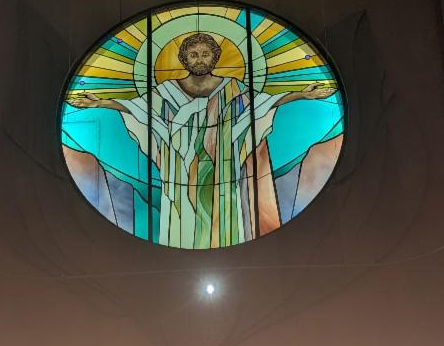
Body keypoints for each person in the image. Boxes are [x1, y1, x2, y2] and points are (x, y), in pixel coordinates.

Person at [69, 32, 334, 248]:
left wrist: (301, 94)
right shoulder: (166, 91)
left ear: (215, 57)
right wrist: (101, 102)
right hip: (178, 173)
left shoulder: (232, 87)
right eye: (193, 54)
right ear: (184, 58)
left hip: (222, 168)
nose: (199, 59)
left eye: (205, 54)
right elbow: (139, 109)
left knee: (224, 222)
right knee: (180, 222)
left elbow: (261, 105)